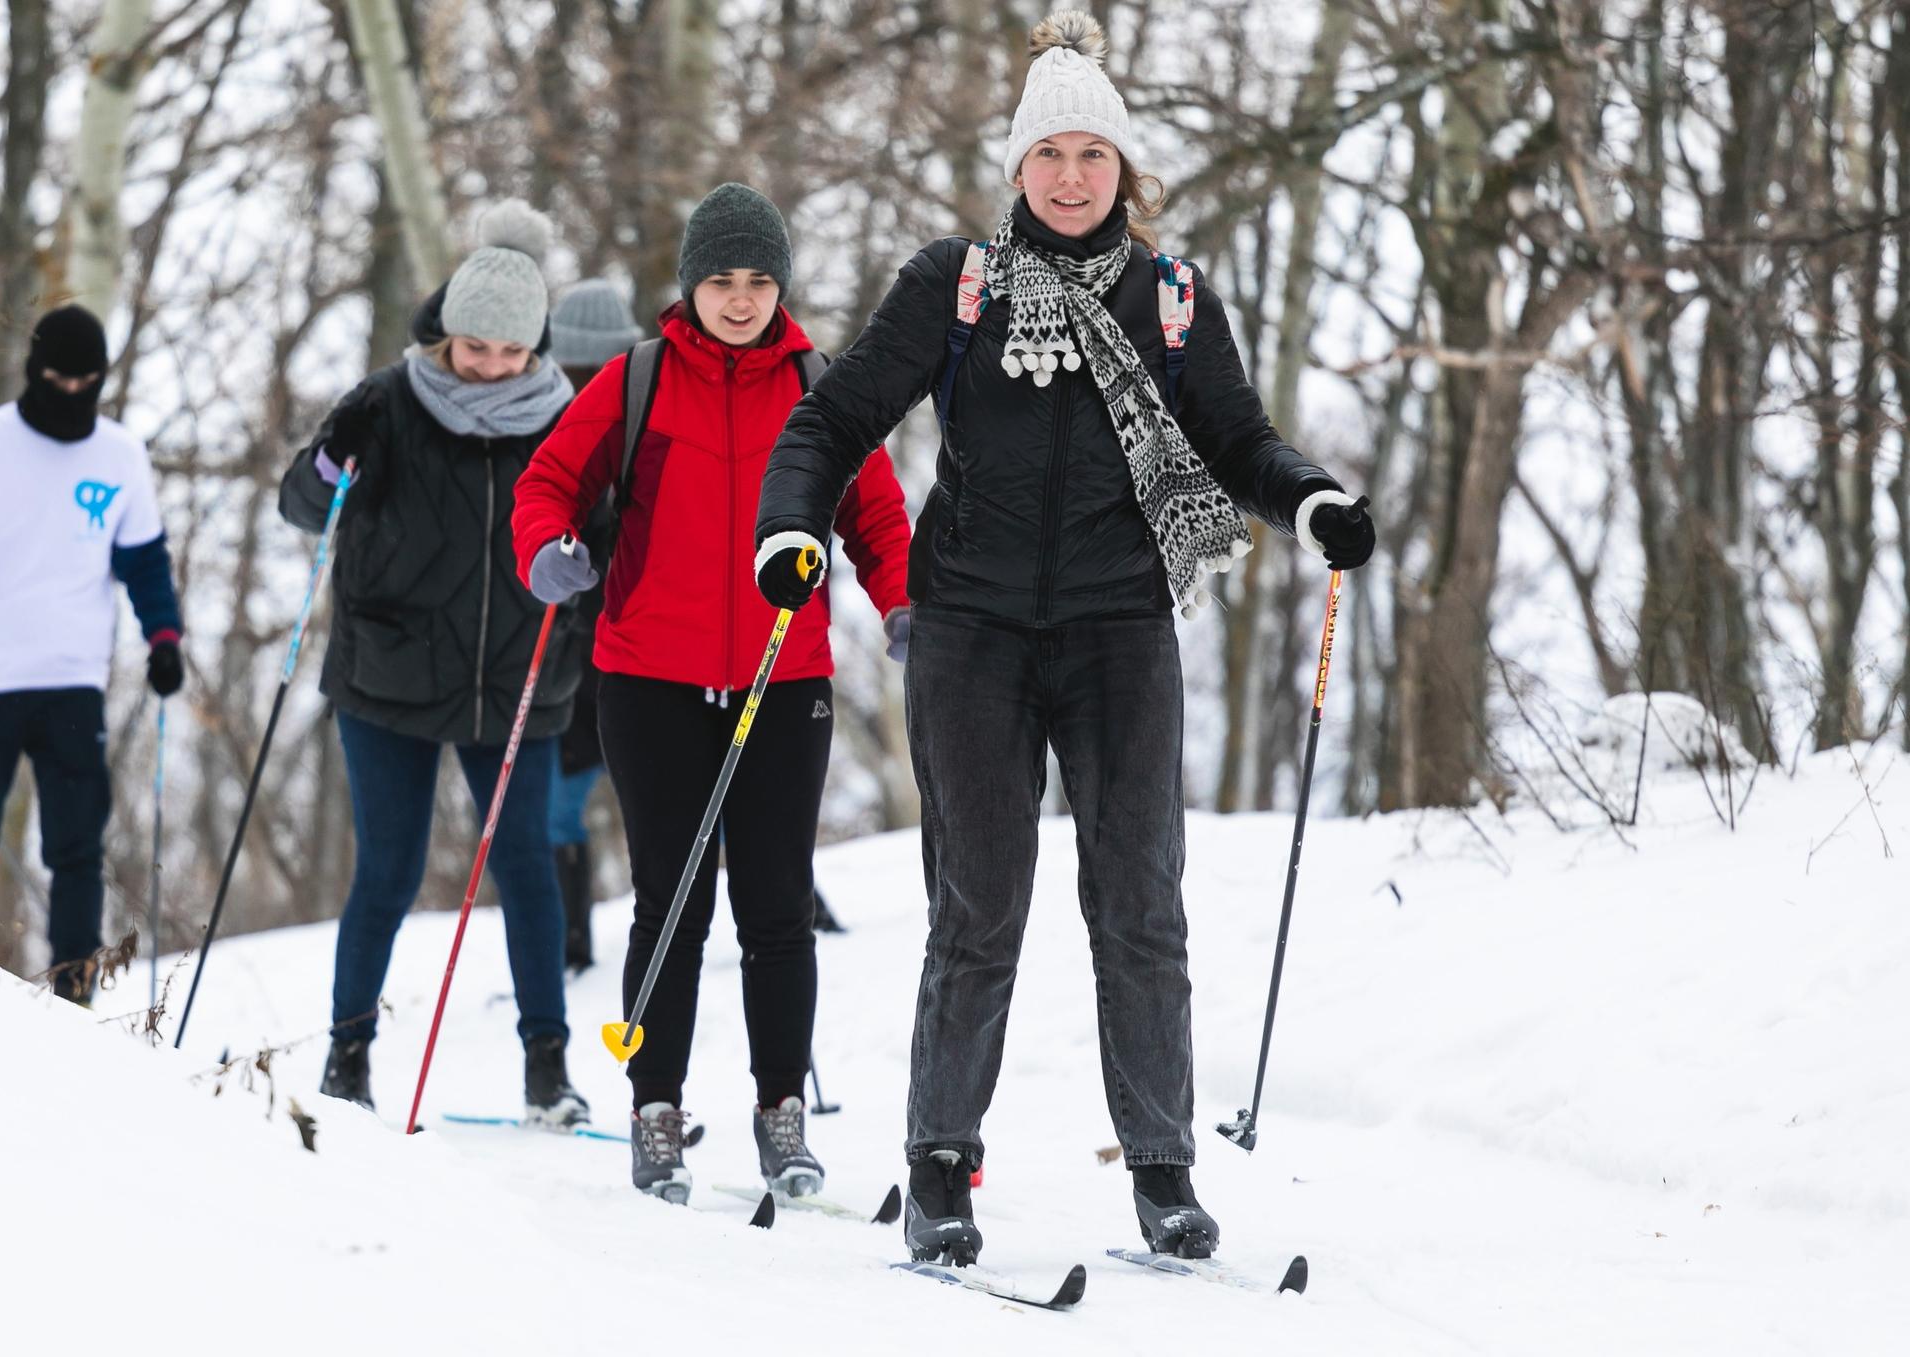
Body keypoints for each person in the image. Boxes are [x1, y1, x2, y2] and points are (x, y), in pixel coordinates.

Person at [754, 13, 1377, 1264]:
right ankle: (940, 1168)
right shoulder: (955, 284)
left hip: (1116, 633)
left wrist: (1311, 498)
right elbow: (830, 422)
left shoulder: (1173, 300)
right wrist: (787, 529)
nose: (1073, 177)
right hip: (970, 632)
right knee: (977, 906)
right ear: (1018, 168)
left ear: (1124, 171)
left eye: (1095, 155)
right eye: (1051, 155)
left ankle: (1162, 1171)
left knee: (1139, 903)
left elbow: (1236, 441)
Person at [513, 184, 913, 1205]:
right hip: (648, 678)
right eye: (720, 280)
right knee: (671, 901)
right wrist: (546, 554)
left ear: (780, 285)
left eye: (758, 280)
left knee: (775, 906)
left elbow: (875, 514)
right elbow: (546, 483)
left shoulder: (820, 386)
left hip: (783, 679)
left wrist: (904, 603)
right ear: (689, 285)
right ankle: (656, 1108)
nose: (739, 299)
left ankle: (780, 1109)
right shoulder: (634, 379)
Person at [279, 201, 588, 1126]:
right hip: (390, 677)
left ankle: (547, 1067)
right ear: (447, 334)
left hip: (517, 677)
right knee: (390, 867)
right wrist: (328, 468)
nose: (491, 366)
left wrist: (588, 563)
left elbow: (607, 524)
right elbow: (304, 503)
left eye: (510, 351)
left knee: (527, 863)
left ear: (534, 347)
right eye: (474, 348)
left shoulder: (566, 416)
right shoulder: (386, 401)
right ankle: (348, 1056)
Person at [0, 305, 186, 1007]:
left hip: (71, 680)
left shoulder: (119, 455)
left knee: (77, 848)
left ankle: (72, 994)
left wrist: (165, 639)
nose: (73, 393)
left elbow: (145, 563)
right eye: (58, 379)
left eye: (87, 381)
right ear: (32, 372)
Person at [541, 278, 648, 973]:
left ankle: (800, 907)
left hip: (645, 648)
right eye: (574, 370)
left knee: (706, 793)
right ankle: (568, 944)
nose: (586, 384)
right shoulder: (545, 432)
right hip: (568, 659)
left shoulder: (649, 424)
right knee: (558, 802)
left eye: (601, 368)